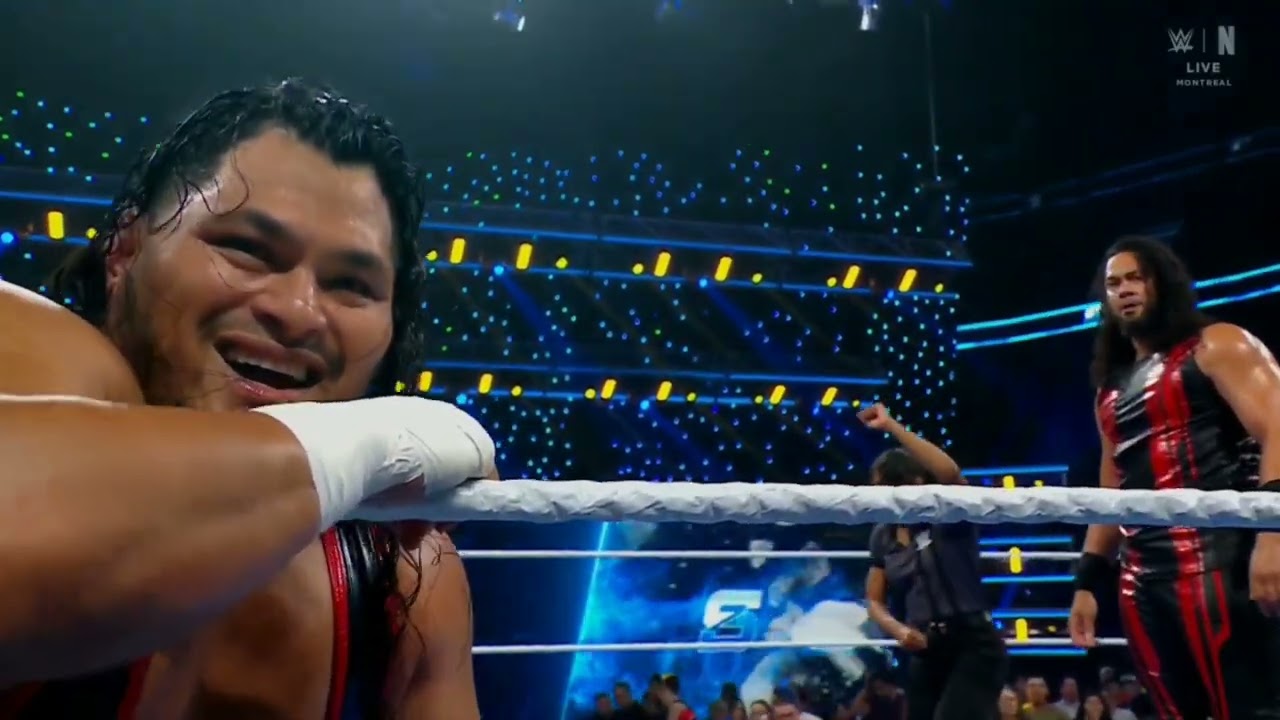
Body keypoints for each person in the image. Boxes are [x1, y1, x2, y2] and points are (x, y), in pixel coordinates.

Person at [0, 80, 495, 716]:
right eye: (245, 249)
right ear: (124, 250)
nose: (298, 312)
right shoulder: (27, 345)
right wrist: (372, 444)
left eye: (352, 284)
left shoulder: (407, 576)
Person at [1069, 236, 1280, 719]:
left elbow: (1278, 428)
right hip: (1141, 580)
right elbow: (1111, 490)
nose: (1125, 290)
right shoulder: (1109, 390)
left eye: (1136, 278)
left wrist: (1273, 537)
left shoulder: (1218, 344)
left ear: (1162, 283)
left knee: (1250, 708)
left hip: (1221, 561)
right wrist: (1087, 582)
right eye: (1114, 283)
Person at [859, 403, 1007, 720]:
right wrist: (898, 630)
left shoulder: (946, 516)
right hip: (924, 647)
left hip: (973, 643)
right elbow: (874, 599)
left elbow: (950, 473)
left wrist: (892, 426)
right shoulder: (883, 535)